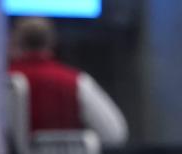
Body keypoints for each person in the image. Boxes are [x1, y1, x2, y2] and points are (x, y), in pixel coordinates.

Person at [9, 16, 127, 145]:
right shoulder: (76, 81)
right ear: (52, 42)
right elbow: (115, 134)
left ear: (15, 41)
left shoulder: (4, 81)